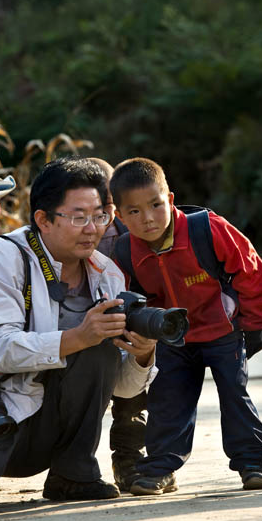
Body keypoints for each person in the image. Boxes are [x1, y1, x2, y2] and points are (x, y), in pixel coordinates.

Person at [0, 157, 158, 508]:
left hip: (52, 428)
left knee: (100, 346)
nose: (92, 228)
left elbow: (121, 387)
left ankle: (73, 475)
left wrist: (143, 355)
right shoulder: (4, 258)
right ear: (43, 219)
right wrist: (77, 337)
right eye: (78, 217)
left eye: (100, 216)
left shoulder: (107, 274)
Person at [109, 157, 262, 495]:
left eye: (155, 205)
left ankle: (254, 463)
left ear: (169, 200)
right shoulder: (124, 251)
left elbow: (251, 271)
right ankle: (159, 469)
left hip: (222, 331)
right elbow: (123, 297)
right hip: (171, 339)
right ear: (120, 217)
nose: (148, 218)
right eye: (135, 212)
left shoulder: (206, 229)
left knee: (235, 395)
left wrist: (257, 322)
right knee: (167, 401)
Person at [90, 156, 150, 491]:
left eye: (109, 205)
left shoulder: (130, 230)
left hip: (128, 316)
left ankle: (129, 460)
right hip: (79, 321)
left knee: (133, 396)